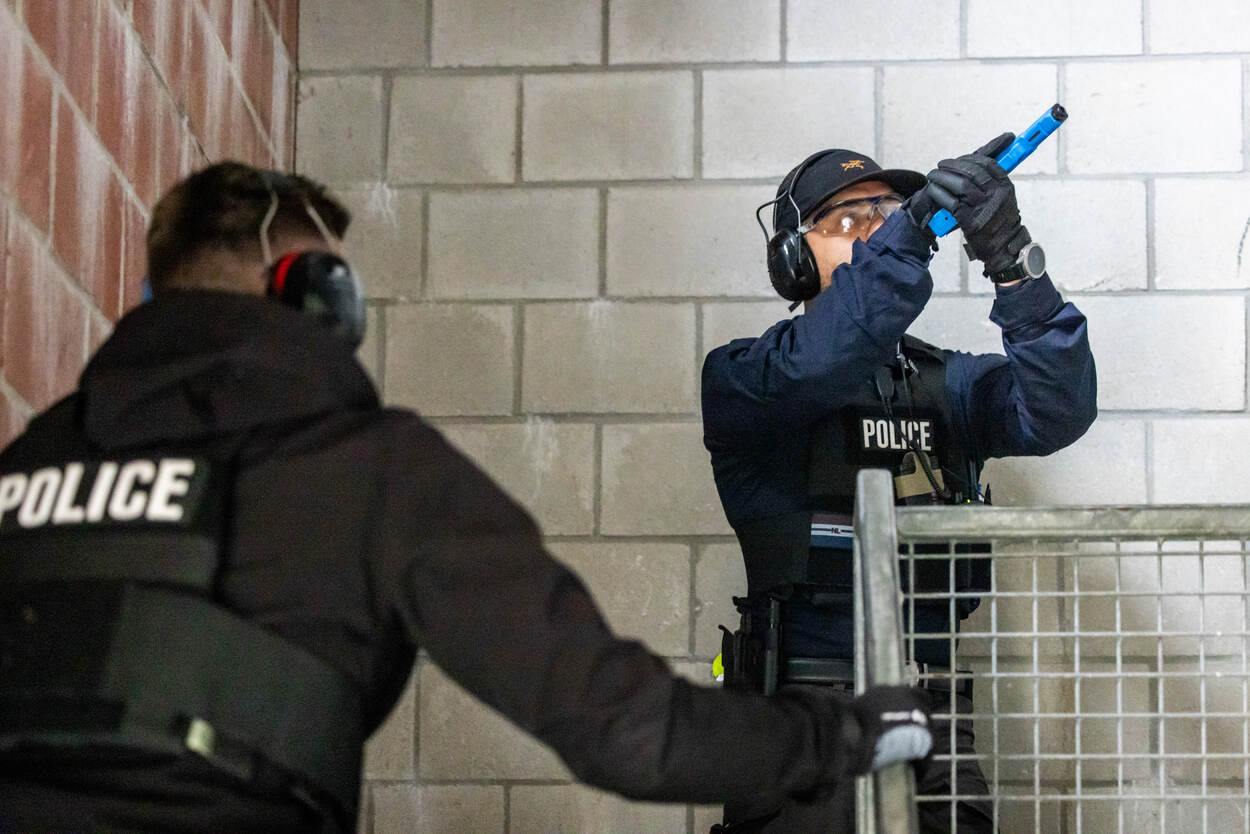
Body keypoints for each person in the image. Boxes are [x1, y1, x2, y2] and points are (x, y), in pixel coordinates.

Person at [0, 161, 935, 834]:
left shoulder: (27, 464)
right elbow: (627, 731)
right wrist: (849, 730)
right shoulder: (368, 467)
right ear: (316, 293)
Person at [701, 136, 1097, 832]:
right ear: (793, 257)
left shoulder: (950, 385)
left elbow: (1058, 408)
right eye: (847, 220)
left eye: (886, 214)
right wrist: (906, 237)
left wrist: (1011, 259)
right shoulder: (746, 378)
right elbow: (824, 357)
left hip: (934, 716)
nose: (874, 232)